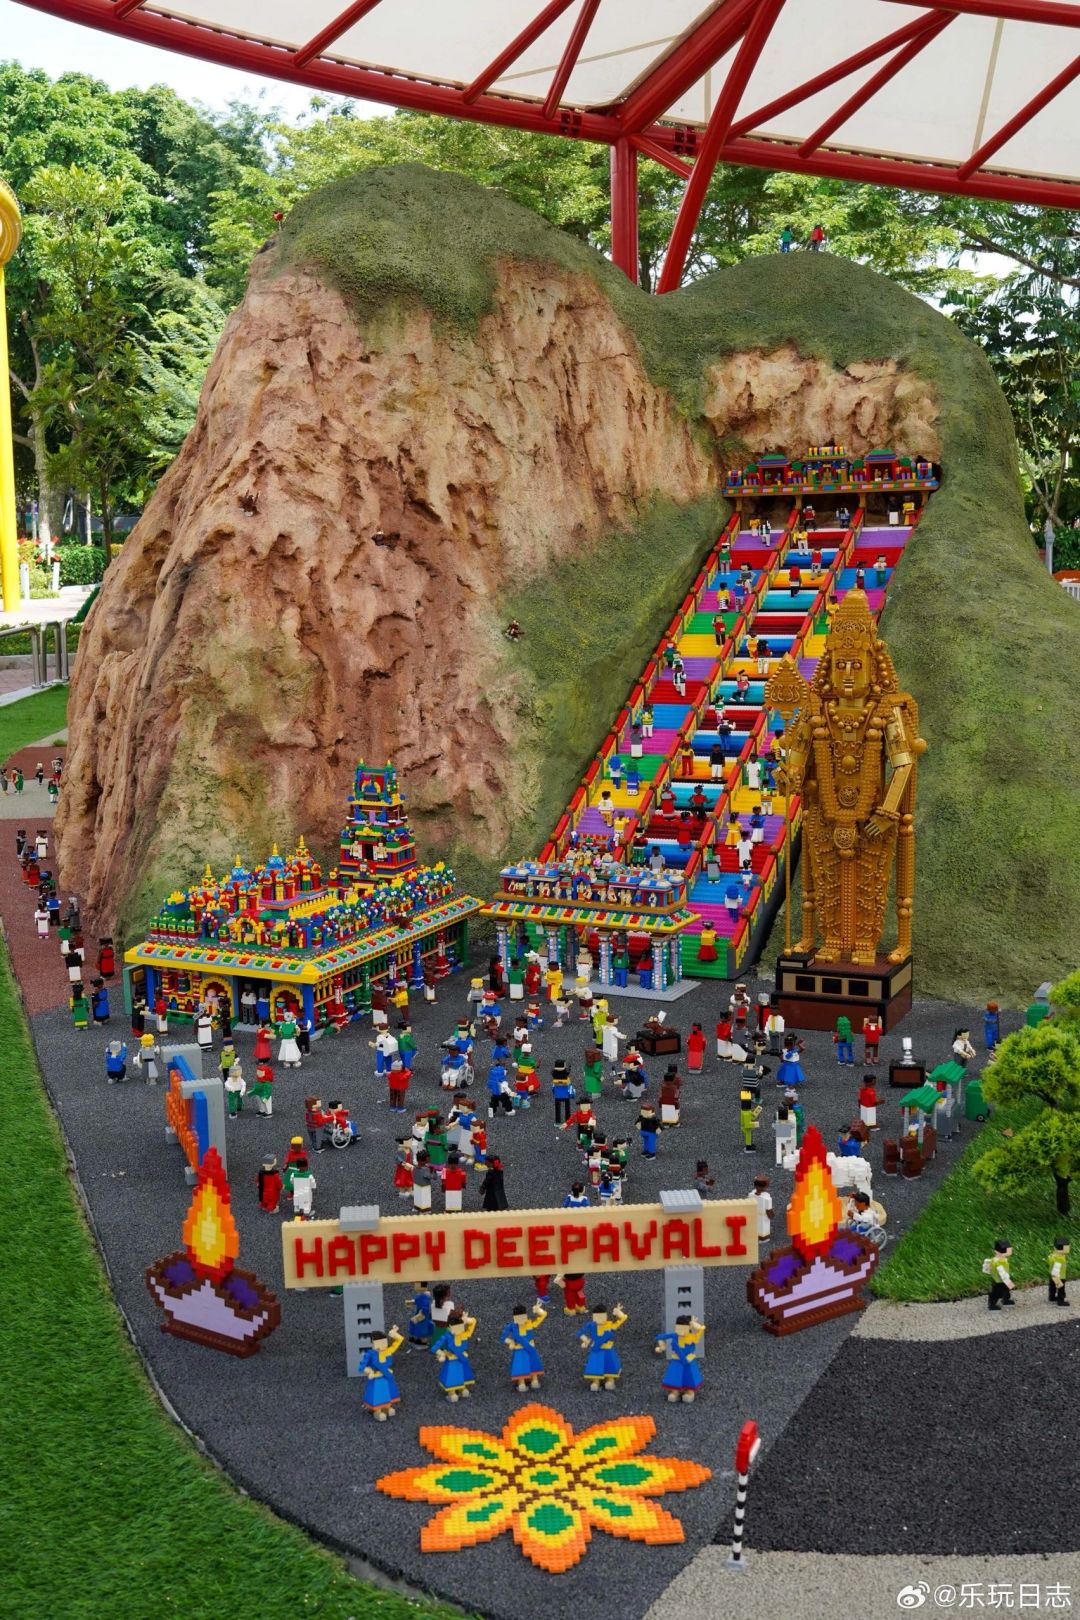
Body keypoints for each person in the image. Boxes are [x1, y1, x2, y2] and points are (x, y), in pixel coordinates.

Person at [985, 1240, 1015, 1310]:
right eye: (1009, 1250)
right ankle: (992, 1305)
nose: (1010, 1252)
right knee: (996, 1293)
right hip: (999, 1281)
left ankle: (1005, 1300)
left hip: (1000, 1279)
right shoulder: (999, 1262)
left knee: (1006, 1291)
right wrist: (1009, 1283)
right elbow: (1002, 1274)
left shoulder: (999, 1260)